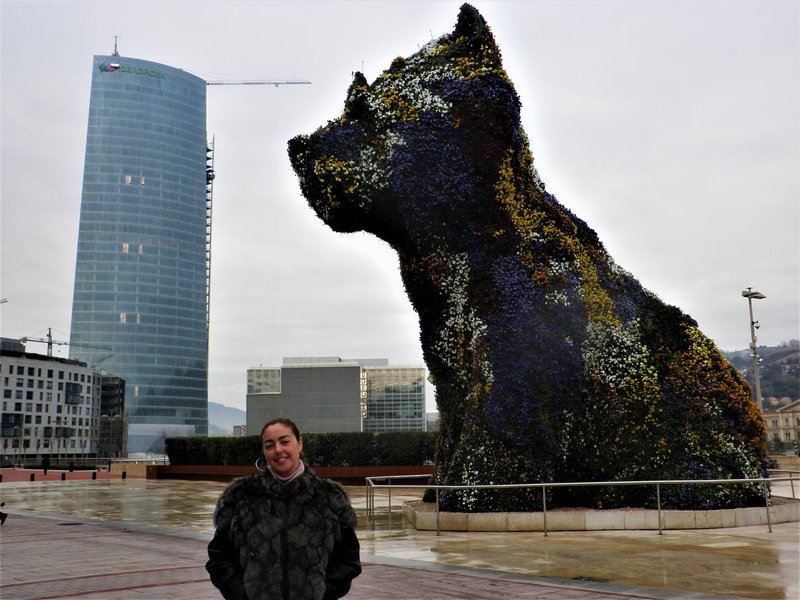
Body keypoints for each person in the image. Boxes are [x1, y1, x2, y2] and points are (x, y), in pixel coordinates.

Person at [206, 418, 361, 599]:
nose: (278, 450)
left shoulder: (330, 497)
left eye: (284, 441)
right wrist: (243, 595)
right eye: (269, 445)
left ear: (299, 443)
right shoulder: (240, 496)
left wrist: (321, 593)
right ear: (264, 451)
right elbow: (219, 557)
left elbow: (348, 559)